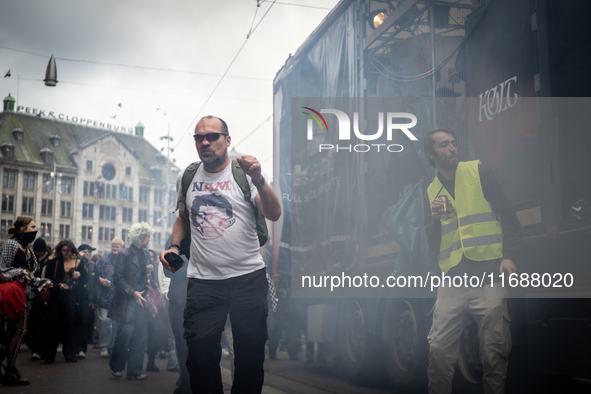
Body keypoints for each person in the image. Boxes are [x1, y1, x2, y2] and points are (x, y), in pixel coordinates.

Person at [160, 115, 281, 394]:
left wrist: (259, 179)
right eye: (199, 138)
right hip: (203, 282)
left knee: (249, 358)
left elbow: (274, 213)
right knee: (200, 357)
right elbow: (182, 217)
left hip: (247, 279)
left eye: (212, 136)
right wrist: (175, 247)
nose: (205, 142)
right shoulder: (187, 176)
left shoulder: (244, 174)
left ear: (227, 140)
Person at [423, 128, 522, 394]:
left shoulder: (480, 173)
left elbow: (510, 219)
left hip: (488, 276)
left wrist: (509, 256)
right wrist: (434, 221)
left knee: (494, 352)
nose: (452, 148)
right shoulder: (431, 191)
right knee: (438, 350)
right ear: (431, 154)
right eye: (444, 145)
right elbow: (433, 245)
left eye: (454, 143)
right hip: (453, 282)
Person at [0, 217, 49, 385]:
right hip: (10, 292)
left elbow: (32, 273)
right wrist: (19, 271)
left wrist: (44, 282)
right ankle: (10, 372)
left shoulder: (28, 247)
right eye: (33, 227)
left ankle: (9, 370)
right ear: (22, 229)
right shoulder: (11, 245)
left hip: (24, 293)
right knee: (18, 331)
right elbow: (2, 270)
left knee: (17, 332)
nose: (36, 230)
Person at [108, 223, 153, 381]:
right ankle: (116, 366)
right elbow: (117, 279)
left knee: (141, 335)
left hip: (142, 300)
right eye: (148, 237)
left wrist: (149, 272)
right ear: (141, 237)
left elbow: (144, 275)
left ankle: (134, 370)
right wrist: (133, 292)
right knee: (125, 334)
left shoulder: (146, 253)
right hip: (127, 300)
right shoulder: (125, 254)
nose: (149, 239)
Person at [42, 240, 89, 363]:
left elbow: (85, 280)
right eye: (64, 250)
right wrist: (59, 286)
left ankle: (69, 354)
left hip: (71, 298)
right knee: (53, 325)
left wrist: (78, 277)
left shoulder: (79, 262)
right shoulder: (54, 262)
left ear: (72, 250)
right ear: (60, 250)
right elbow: (48, 278)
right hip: (56, 298)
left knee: (69, 326)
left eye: (68, 250)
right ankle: (49, 355)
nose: (66, 253)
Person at [95, 238, 123, 357]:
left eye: (117, 246)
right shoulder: (103, 260)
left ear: (122, 248)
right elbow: (93, 274)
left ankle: (113, 347)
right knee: (105, 322)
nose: (115, 248)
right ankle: (104, 347)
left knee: (116, 323)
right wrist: (100, 279)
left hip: (119, 298)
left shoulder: (125, 261)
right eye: (113, 246)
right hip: (105, 297)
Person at [78, 244, 98, 349]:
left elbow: (95, 284)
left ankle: (82, 348)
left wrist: (94, 300)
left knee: (85, 322)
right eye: (88, 251)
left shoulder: (92, 265)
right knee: (75, 322)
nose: (90, 254)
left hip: (88, 298)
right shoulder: (76, 263)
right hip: (76, 298)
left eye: (91, 252)